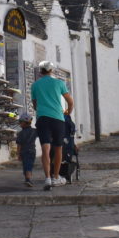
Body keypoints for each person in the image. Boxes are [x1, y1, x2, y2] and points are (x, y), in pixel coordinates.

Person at [29, 60, 73, 189]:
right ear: (51, 70)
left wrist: (43, 109)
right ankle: (55, 177)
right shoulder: (59, 83)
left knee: (45, 149)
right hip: (57, 118)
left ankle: (47, 178)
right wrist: (67, 112)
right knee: (58, 148)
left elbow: (35, 105)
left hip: (42, 118)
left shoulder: (35, 85)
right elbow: (70, 102)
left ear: (40, 71)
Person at [15, 112, 37, 187]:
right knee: (29, 165)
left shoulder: (20, 134)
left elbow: (19, 145)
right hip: (32, 152)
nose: (20, 124)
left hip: (24, 152)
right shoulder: (34, 131)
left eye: (20, 122)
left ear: (25, 122)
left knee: (26, 166)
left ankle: (28, 179)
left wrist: (18, 154)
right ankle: (27, 179)